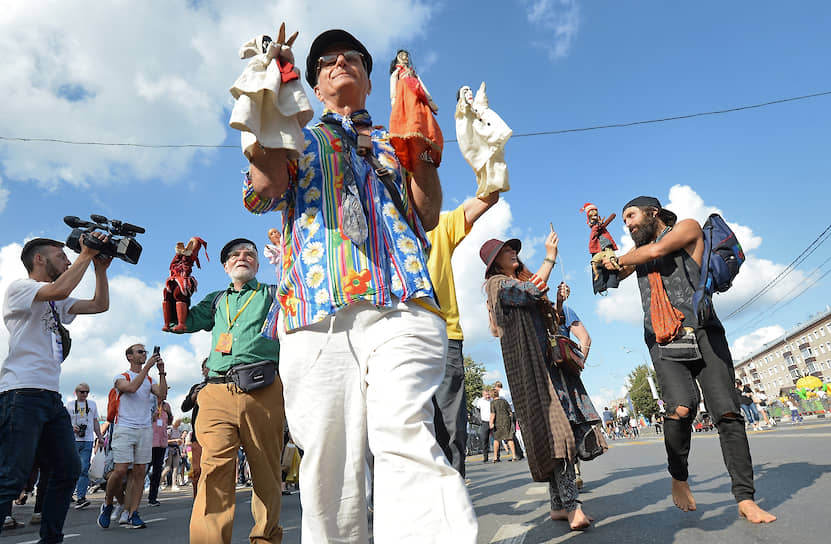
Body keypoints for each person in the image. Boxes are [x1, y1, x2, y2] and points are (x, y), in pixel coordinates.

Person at [242, 27, 477, 542]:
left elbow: (429, 213)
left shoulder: (394, 138)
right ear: (314, 83)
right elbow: (264, 192)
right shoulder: (297, 133)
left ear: (370, 81)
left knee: (405, 434)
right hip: (316, 311)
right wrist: (265, 101)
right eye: (326, 60)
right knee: (329, 464)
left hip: (402, 302)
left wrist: (418, 141)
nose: (339, 61)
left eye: (351, 57)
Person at [602, 195, 776, 523]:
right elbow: (608, 279)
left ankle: (745, 498)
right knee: (681, 408)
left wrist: (617, 260)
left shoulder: (686, 228)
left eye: (631, 216)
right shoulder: (636, 256)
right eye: (624, 220)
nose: (627, 223)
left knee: (727, 412)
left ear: (654, 213)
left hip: (703, 330)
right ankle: (679, 477)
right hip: (662, 339)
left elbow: (653, 251)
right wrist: (601, 260)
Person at [482, 233, 600, 530]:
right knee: (556, 434)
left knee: (556, 434)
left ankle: (558, 506)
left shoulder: (517, 284)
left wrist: (558, 302)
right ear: (494, 261)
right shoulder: (498, 286)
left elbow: (550, 320)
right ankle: (573, 509)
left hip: (550, 369)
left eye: (512, 249)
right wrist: (549, 257)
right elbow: (529, 292)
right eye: (506, 250)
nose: (513, 252)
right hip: (532, 374)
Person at [171, 238, 283, 544]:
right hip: (216, 391)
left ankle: (266, 539)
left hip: (263, 388)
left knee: (267, 475)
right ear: (225, 266)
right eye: (234, 255)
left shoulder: (274, 293)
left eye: (249, 253)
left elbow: (303, 309)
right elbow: (178, 324)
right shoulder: (216, 299)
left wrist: (291, 267)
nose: (242, 257)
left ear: (258, 264)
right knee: (213, 472)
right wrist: (174, 293)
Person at [0, 235, 111, 542]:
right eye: (61, 256)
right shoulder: (20, 288)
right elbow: (61, 287)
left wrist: (100, 270)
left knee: (66, 470)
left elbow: (99, 305)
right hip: (21, 393)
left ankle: (51, 539)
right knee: (11, 477)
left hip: (49, 397)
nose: (67, 260)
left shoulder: (53, 299)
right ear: (39, 259)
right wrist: (86, 255)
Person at [427, 191, 499, 476]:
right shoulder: (379, 224)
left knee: (449, 425)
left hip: (444, 335)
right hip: (394, 337)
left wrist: (487, 156)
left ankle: (452, 490)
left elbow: (488, 197)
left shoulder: (441, 225)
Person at [97, 343, 167, 530]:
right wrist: (147, 368)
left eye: (145, 351)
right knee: (119, 471)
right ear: (130, 356)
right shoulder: (121, 377)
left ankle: (132, 512)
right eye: (140, 351)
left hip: (144, 428)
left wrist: (161, 372)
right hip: (125, 428)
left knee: (139, 472)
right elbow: (131, 389)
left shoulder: (150, 379)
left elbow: (162, 394)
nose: (144, 354)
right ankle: (108, 502)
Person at [388, 49, 442, 171]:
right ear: (397, 58)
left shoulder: (413, 73)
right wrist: (394, 99)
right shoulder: (397, 72)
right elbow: (393, 84)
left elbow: (422, 85)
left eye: (406, 56)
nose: (404, 57)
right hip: (405, 93)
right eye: (402, 56)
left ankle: (423, 135)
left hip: (417, 94)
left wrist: (429, 99)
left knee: (420, 114)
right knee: (411, 115)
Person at [65, 382, 103, 509]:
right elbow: (64, 422)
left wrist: (100, 436)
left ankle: (81, 497)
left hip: (87, 440)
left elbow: (95, 421)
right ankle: (68, 494)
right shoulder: (70, 405)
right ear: (76, 392)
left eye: (87, 392)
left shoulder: (92, 404)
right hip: (73, 440)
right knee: (71, 468)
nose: (85, 394)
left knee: (84, 468)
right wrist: (72, 427)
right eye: (82, 392)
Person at [181, 358, 209, 499]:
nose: (208, 369)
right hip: (198, 437)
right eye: (205, 367)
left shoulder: (222, 385)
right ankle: (198, 498)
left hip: (216, 435)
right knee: (197, 469)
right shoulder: (197, 387)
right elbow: (184, 407)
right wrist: (193, 396)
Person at [148, 399, 173, 506]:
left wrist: (169, 413)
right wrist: (152, 417)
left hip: (161, 442)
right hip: (149, 442)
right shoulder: (149, 403)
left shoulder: (166, 405)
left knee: (157, 471)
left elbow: (170, 422)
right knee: (143, 469)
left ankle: (153, 497)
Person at [489, 388, 516, 462]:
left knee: (496, 439)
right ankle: (514, 455)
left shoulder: (493, 403)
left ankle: (495, 457)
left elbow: (493, 414)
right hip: (506, 421)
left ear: (491, 395)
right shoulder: (504, 401)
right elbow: (510, 412)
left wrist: (491, 423)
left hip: (498, 422)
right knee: (509, 438)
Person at [161, 419, 183, 489]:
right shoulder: (169, 429)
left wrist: (179, 442)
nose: (179, 423)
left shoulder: (179, 431)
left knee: (176, 468)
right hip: (169, 449)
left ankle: (174, 485)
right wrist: (175, 440)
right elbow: (166, 441)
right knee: (167, 468)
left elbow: (180, 441)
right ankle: (159, 483)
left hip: (176, 449)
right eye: (178, 422)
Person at [474, 389, 494, 462]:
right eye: (486, 395)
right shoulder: (480, 401)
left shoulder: (492, 400)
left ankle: (496, 457)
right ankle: (485, 457)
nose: (488, 396)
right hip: (484, 423)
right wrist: (479, 420)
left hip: (492, 422)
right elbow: (476, 411)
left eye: (488, 394)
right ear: (483, 395)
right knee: (484, 440)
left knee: (496, 440)